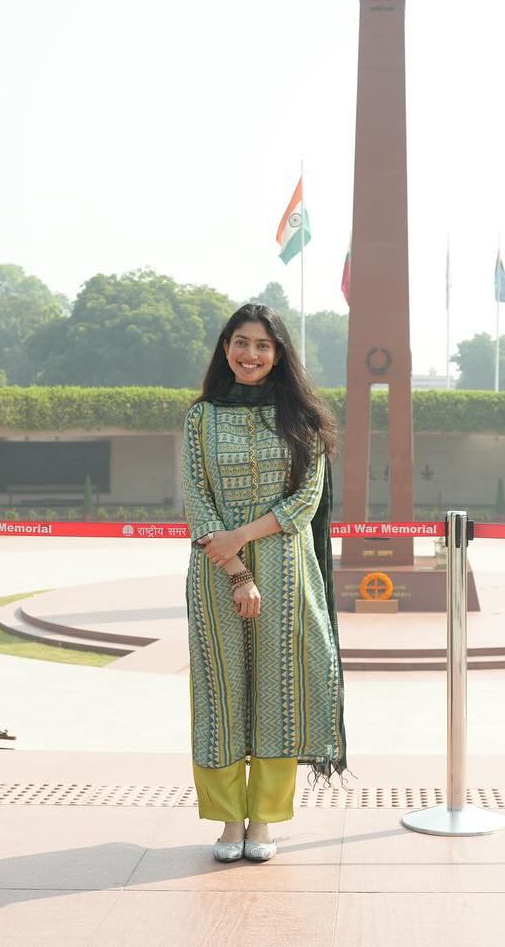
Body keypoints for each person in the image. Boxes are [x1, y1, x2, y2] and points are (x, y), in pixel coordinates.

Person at [182, 304, 346, 863]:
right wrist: (232, 565)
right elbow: (197, 499)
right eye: (240, 342)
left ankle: (265, 823)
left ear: (279, 355)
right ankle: (230, 823)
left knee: (278, 693)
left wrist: (240, 541)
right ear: (225, 347)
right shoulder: (200, 418)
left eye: (262, 346)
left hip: (285, 571)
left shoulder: (303, 418)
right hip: (214, 576)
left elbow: (304, 502)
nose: (249, 355)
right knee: (221, 695)